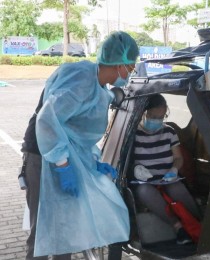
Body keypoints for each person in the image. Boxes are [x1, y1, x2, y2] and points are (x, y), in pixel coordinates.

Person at [20, 31, 139, 259]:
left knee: (64, 226)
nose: (129, 74)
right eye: (130, 68)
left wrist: (92, 162)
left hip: (59, 154)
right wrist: (63, 165)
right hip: (43, 156)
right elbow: (48, 120)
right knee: (44, 228)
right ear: (118, 64)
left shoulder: (96, 87)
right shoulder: (82, 79)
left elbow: (76, 132)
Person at [133, 94, 200, 244]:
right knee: (144, 191)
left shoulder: (169, 132)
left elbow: (178, 157)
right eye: (153, 116)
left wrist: (174, 170)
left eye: (161, 117)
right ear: (143, 113)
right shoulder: (134, 134)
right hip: (145, 181)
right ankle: (178, 228)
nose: (157, 121)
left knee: (177, 189)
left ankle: (198, 223)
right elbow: (126, 161)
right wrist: (136, 169)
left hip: (166, 177)